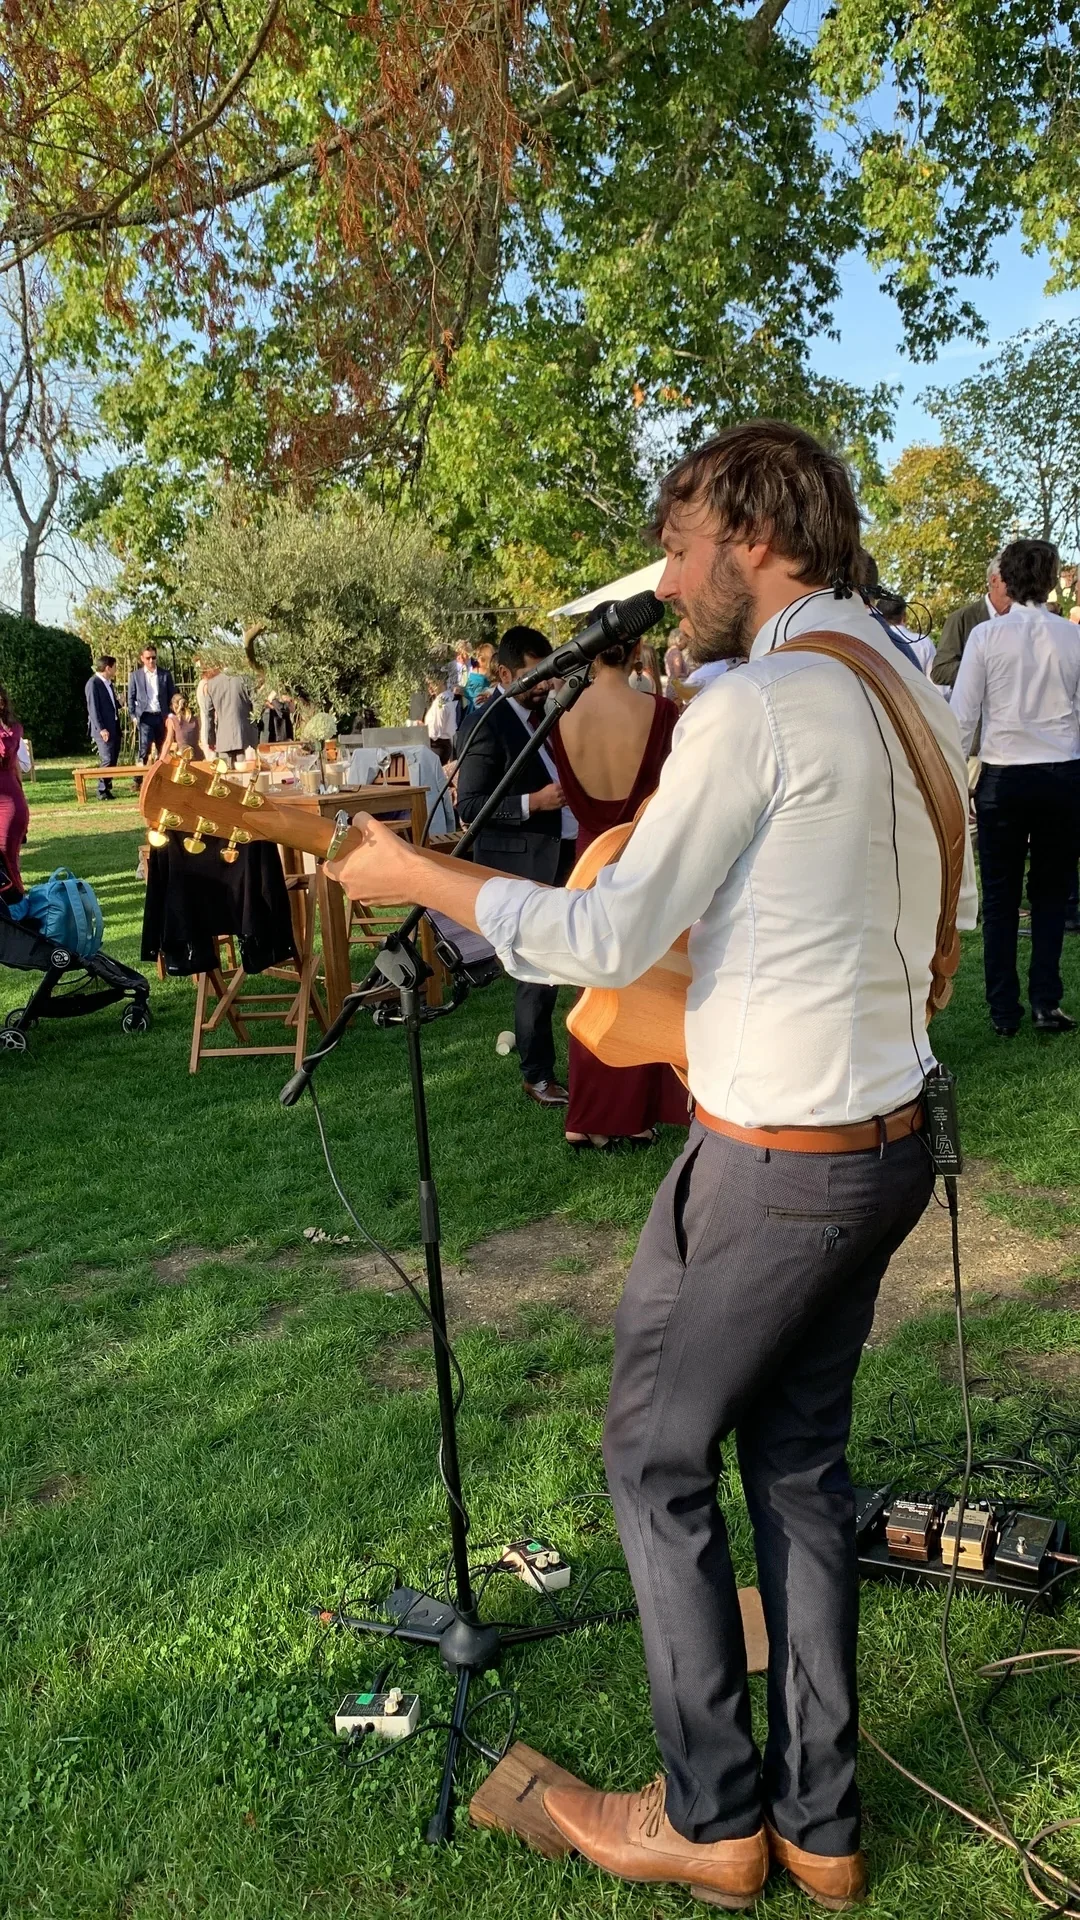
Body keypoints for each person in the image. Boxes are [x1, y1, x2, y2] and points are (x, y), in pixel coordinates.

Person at [325, 419, 976, 1910]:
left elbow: (607, 942)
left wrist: (420, 874)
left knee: (652, 1453)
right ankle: (822, 1827)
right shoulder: (914, 695)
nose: (670, 583)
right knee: (800, 1469)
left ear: (753, 534)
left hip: (774, 1164)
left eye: (680, 549)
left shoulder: (759, 705)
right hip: (886, 1145)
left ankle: (710, 1816)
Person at [548, 635, 687, 1149]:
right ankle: (631, 1115)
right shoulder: (660, 710)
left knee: (592, 982)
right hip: (638, 849)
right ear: (634, 651)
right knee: (642, 980)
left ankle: (585, 1116)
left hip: (588, 856)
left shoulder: (560, 714)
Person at [952, 537, 1080, 1037]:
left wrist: (954, 779)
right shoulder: (1072, 638)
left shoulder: (986, 637)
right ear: (1049, 582)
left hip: (1004, 776)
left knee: (1001, 898)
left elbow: (963, 717)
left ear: (1004, 578)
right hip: (1062, 774)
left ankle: (1004, 1011)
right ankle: (1046, 1002)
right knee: (1051, 893)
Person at [455, 625, 576, 1109]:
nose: (545, 682)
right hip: (521, 862)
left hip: (567, 851)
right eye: (533, 675)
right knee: (537, 973)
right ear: (503, 673)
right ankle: (537, 1075)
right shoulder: (487, 722)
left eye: (547, 672)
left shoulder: (549, 712)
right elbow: (470, 806)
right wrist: (535, 802)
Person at [931, 557, 1011, 688]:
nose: (1020, 584)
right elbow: (940, 671)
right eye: (1012, 578)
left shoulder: (1025, 619)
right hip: (978, 705)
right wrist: (987, 670)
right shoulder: (961, 618)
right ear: (994, 580)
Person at [0, 683, 29, 903]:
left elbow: (17, 767)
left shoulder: (10, 731)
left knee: (7, 861)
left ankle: (16, 918)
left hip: (8, 803)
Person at [128, 645, 176, 769]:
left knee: (163, 748)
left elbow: (172, 695)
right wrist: (133, 715)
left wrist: (172, 714)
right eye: (148, 658)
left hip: (161, 716)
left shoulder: (165, 674)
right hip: (145, 717)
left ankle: (162, 777)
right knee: (144, 748)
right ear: (142, 658)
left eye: (153, 657)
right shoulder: (135, 676)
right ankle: (138, 779)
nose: (151, 661)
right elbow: (131, 698)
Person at [85, 653, 121, 799]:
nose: (116, 670)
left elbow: (109, 705)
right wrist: (102, 729)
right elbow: (93, 709)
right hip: (103, 730)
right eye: (115, 667)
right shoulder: (93, 683)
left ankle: (106, 788)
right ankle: (101, 790)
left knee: (113, 758)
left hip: (114, 726)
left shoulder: (108, 683)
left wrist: (120, 703)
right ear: (108, 668)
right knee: (107, 758)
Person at [207, 668, 258, 765]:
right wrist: (254, 736)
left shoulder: (212, 683)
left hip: (222, 738)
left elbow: (209, 714)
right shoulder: (246, 680)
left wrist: (211, 739)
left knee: (224, 776)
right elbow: (257, 707)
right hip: (242, 736)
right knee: (242, 775)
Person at [162, 693, 201, 758]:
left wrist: (161, 760)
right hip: (197, 757)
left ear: (173, 706)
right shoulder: (196, 720)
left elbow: (168, 742)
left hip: (182, 758)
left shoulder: (172, 720)